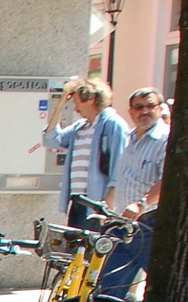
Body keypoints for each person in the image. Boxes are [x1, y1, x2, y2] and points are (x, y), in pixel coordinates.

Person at [98, 87, 170, 299]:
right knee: (108, 287)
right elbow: (123, 180)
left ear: (160, 109)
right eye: (139, 107)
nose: (145, 111)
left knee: (161, 286)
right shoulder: (130, 139)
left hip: (151, 224)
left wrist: (141, 204)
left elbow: (168, 179)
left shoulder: (166, 139)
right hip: (123, 225)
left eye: (150, 106)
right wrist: (110, 211)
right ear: (131, 111)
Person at [41, 77, 128, 229]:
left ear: (91, 99)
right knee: (75, 251)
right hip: (78, 201)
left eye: (76, 102)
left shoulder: (113, 124)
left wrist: (107, 207)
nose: (75, 108)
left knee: (90, 252)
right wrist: (61, 104)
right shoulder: (80, 127)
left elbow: (119, 168)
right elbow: (50, 139)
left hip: (97, 204)